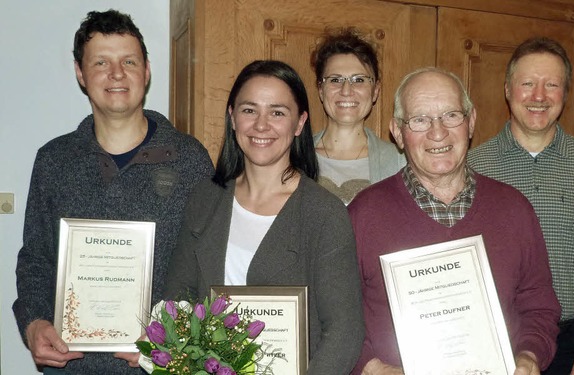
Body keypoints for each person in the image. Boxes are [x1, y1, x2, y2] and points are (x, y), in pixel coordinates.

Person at [12, 9, 214, 375]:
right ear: (80, 73)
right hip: (71, 367)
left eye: (129, 61)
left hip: (164, 367)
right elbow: (36, 259)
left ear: (147, 70)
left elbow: (210, 262)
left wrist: (176, 336)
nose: (116, 73)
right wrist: (34, 323)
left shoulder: (190, 160)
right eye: (101, 62)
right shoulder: (53, 161)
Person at [348, 67, 561, 375]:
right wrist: (372, 368)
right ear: (397, 131)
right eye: (420, 119)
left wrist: (529, 356)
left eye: (451, 116)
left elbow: (539, 307)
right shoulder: (364, 215)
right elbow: (336, 316)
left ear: (470, 121)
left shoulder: (514, 211)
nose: (438, 132)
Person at [163, 60, 364, 374]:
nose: (261, 125)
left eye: (278, 112)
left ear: (299, 124)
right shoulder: (205, 199)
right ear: (232, 117)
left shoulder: (325, 214)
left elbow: (344, 331)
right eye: (249, 110)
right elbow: (179, 296)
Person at [467, 37, 574, 375]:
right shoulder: (472, 168)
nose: (539, 96)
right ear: (507, 89)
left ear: (565, 93)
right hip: (491, 342)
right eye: (527, 83)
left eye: (552, 85)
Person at [311, 28, 405, 204]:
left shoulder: (400, 162)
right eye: (335, 80)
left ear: (375, 91)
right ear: (320, 90)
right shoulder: (294, 157)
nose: (346, 91)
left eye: (359, 80)